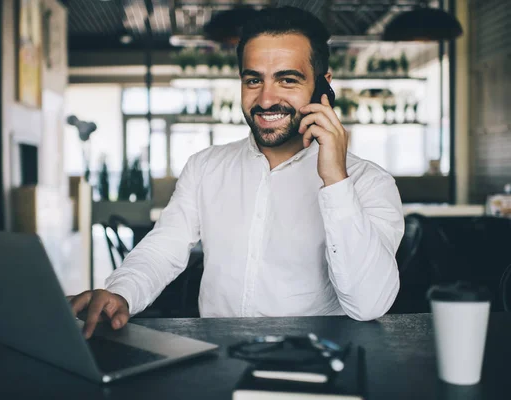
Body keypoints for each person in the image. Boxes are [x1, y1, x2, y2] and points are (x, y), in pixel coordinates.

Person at [70, 6, 404, 339]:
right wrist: (121, 292)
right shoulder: (205, 167)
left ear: (323, 86)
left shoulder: (368, 183)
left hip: (317, 364)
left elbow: (369, 303)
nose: (267, 98)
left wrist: (335, 180)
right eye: (253, 80)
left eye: (288, 79)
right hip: (219, 358)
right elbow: (164, 247)